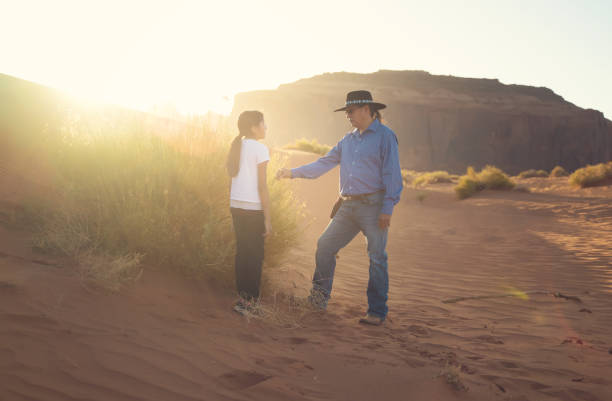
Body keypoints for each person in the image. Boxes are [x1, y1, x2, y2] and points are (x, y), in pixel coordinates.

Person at [277, 90, 403, 326]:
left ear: (367, 110)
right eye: (346, 112)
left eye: (351, 111)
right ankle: (318, 301)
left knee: (377, 257)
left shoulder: (386, 137)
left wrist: (388, 208)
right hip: (347, 207)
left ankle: (376, 312)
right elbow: (323, 163)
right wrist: (291, 173)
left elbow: (392, 174)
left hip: (374, 207)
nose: (348, 115)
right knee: (325, 246)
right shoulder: (347, 140)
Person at [226, 110, 272, 315]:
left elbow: (232, 179)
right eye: (263, 123)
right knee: (254, 256)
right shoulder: (260, 149)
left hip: (236, 205)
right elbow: (262, 186)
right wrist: (268, 219)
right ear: (254, 127)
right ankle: (250, 304)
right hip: (253, 209)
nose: (266, 127)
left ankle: (242, 299)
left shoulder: (236, 145)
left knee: (242, 253)